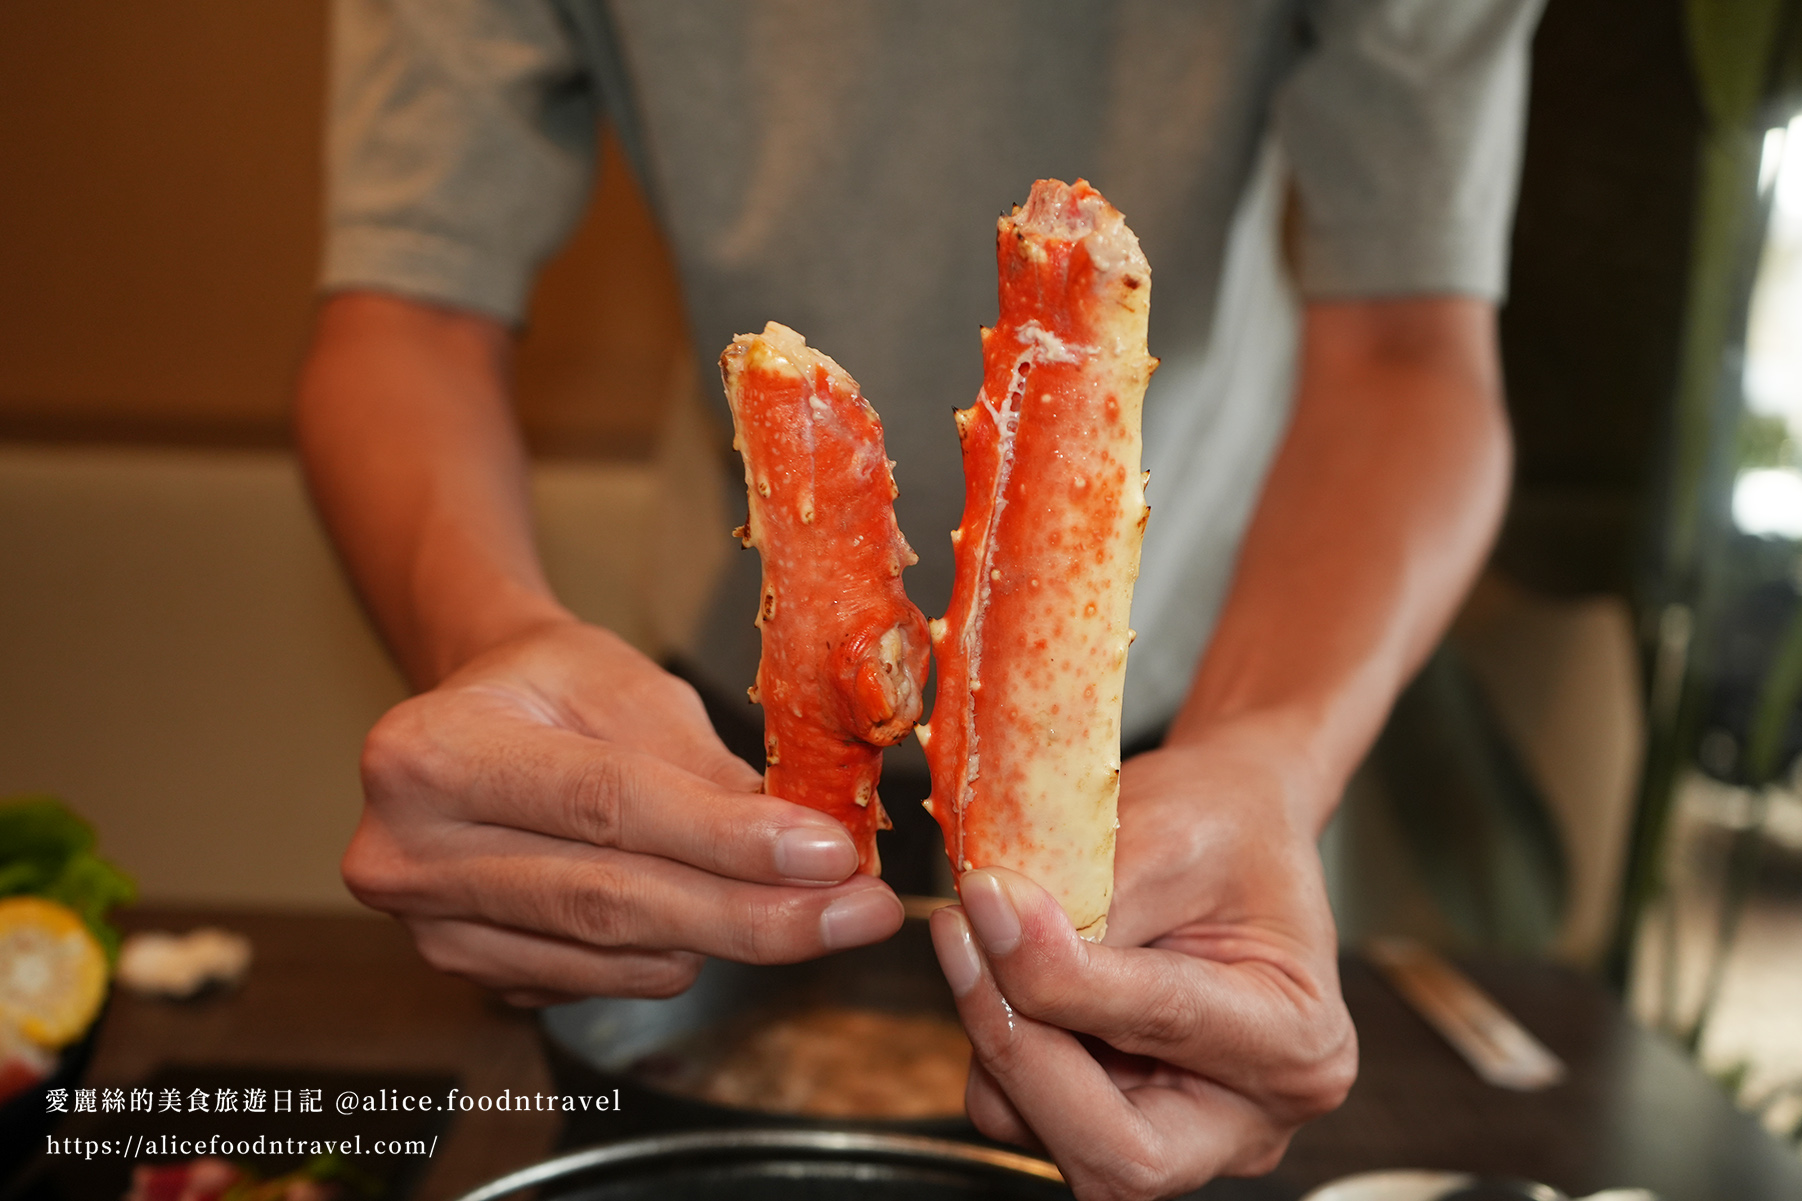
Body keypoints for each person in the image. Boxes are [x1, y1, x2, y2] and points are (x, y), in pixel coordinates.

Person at [297, 2, 1542, 1195]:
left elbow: (1409, 345)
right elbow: (409, 309)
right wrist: (491, 636)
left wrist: (1271, 753)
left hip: (1188, 726)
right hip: (687, 722)